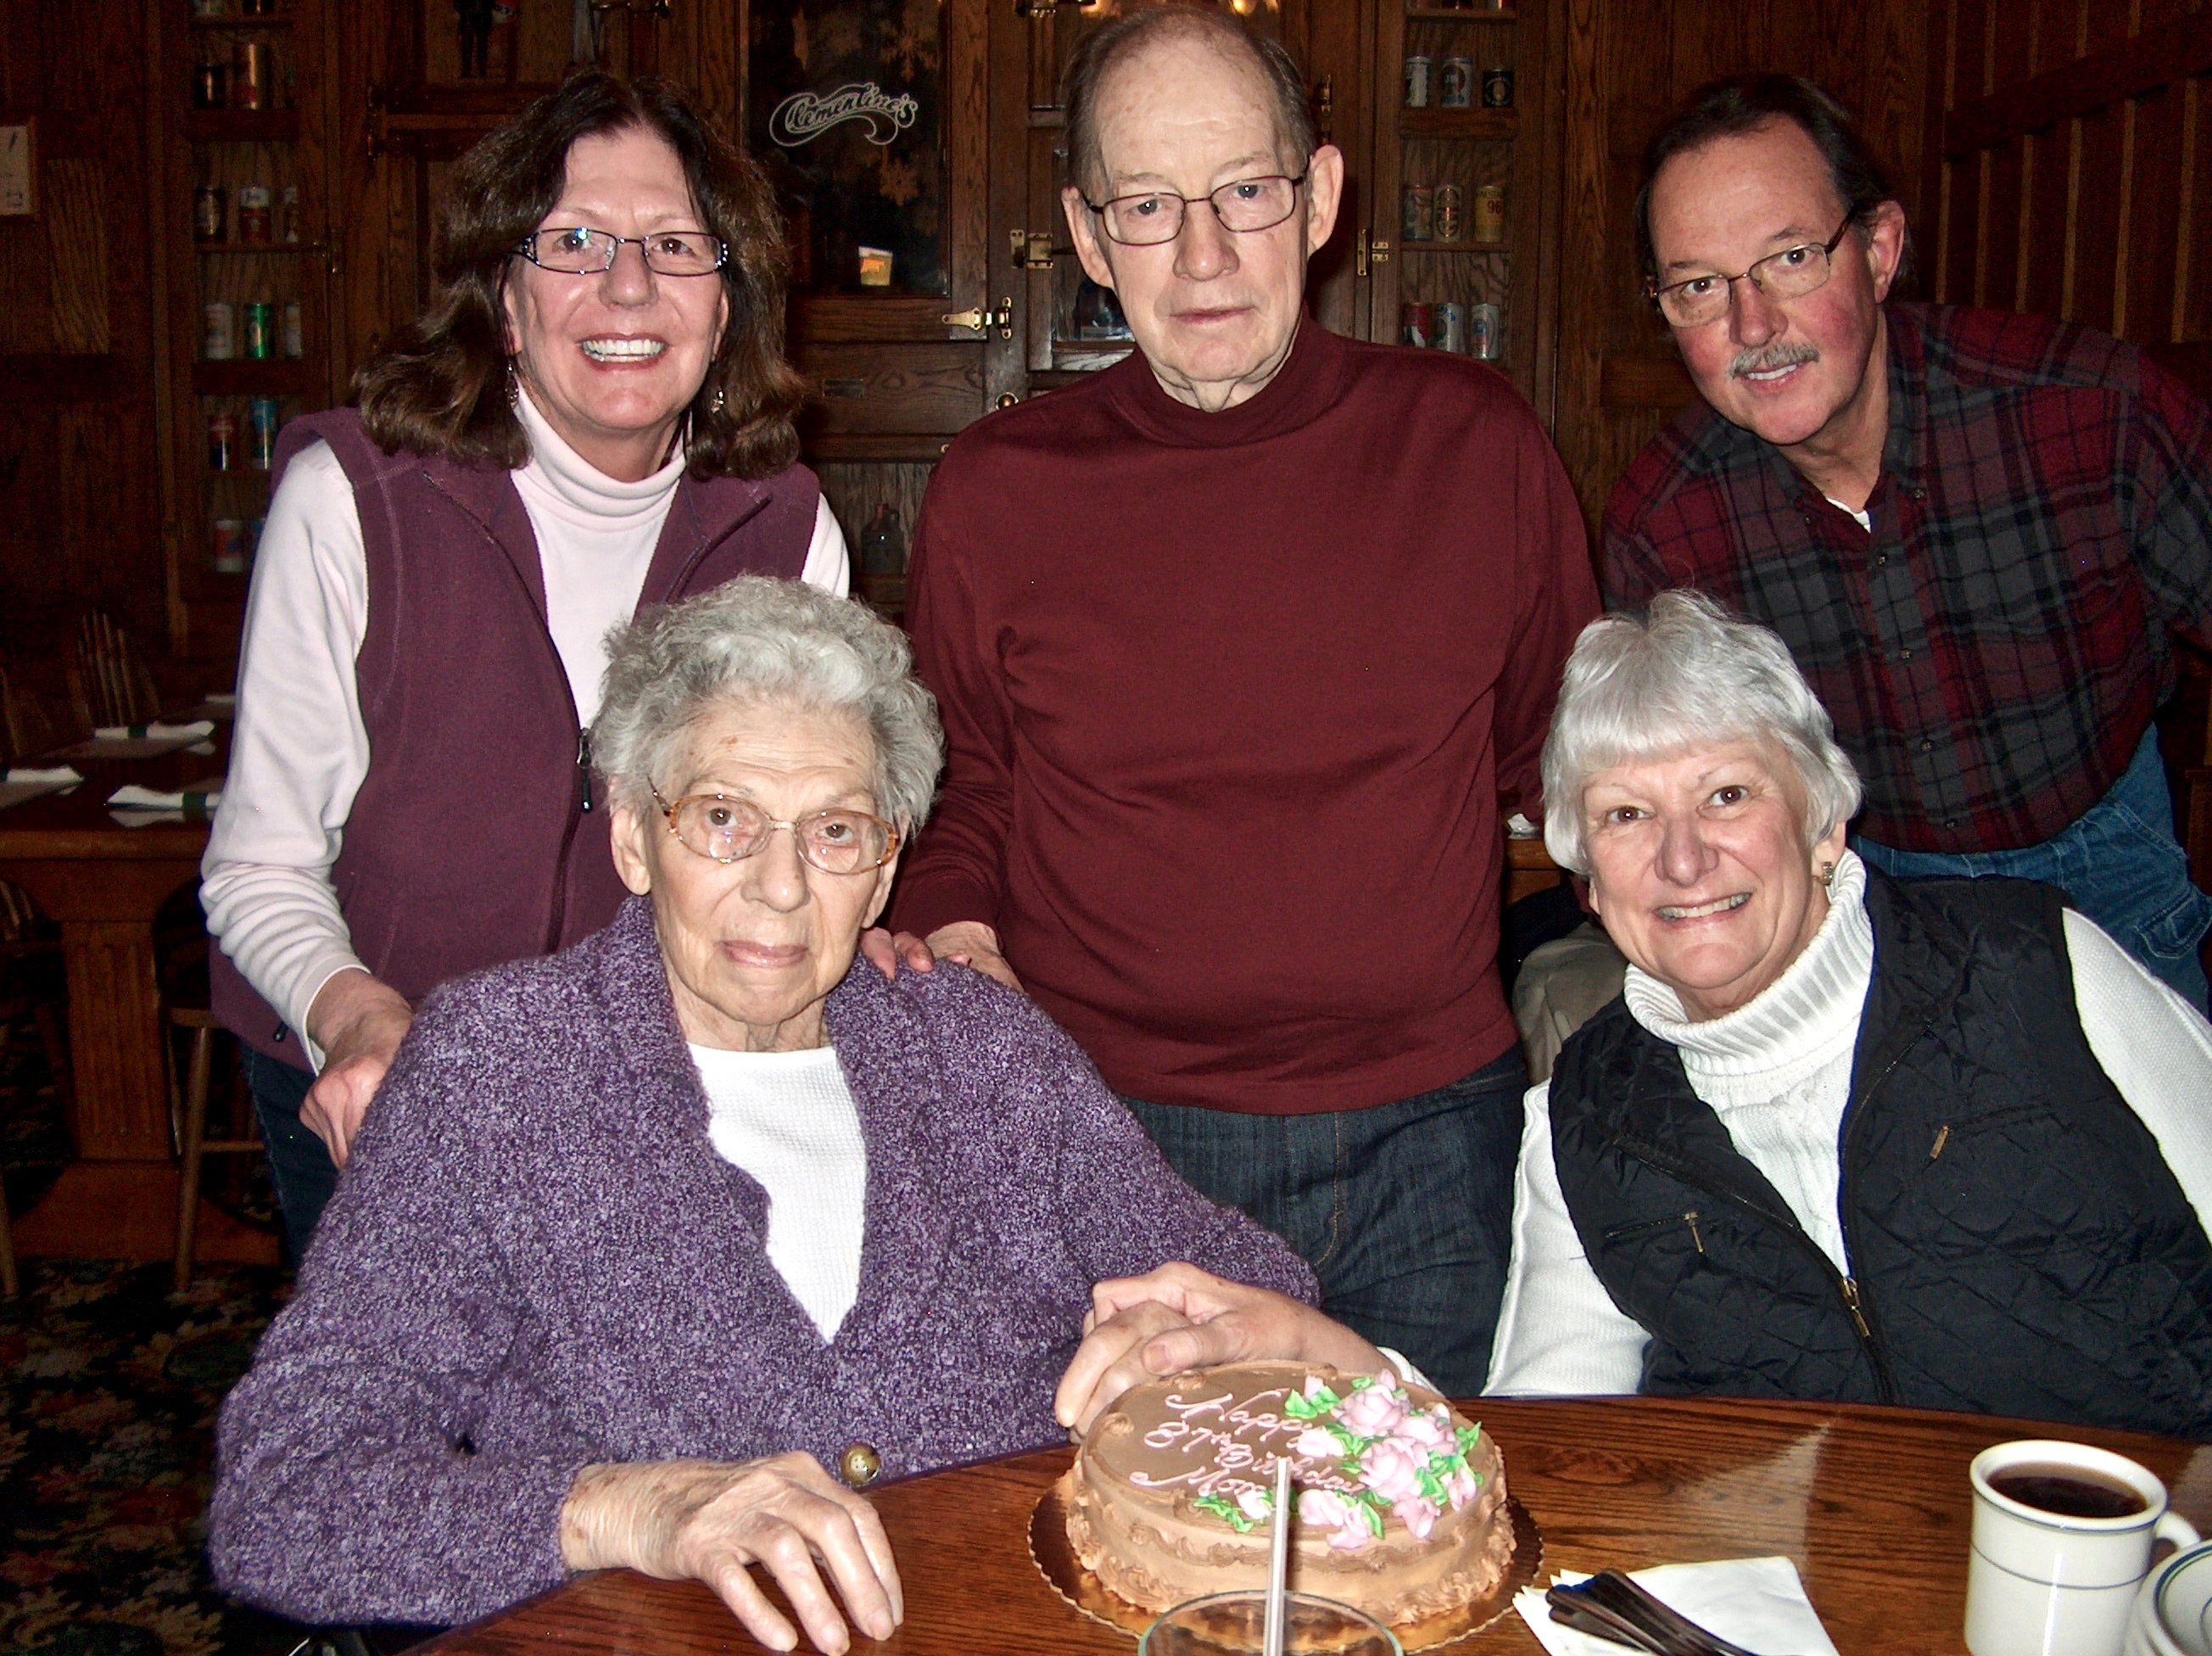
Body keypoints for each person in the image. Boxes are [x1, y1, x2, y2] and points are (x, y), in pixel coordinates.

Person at [207, 579, 1380, 1649]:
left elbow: (1238, 1279)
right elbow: (288, 1493)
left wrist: (1211, 1336)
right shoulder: (493, 1074)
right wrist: (634, 1505)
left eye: (834, 832)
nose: (780, 884)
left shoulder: (979, 1051)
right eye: (722, 818)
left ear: (882, 870)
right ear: (632, 835)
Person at [869, 3, 1597, 1396]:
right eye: (1147, 205)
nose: (1201, 255)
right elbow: (960, 787)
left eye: (1243, 192)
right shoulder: (996, 488)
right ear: (1087, 238)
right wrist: (955, 934)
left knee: (1404, 1551)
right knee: (1138, 1556)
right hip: (1109, 1134)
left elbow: (1566, 766)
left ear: (1318, 196)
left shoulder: (1476, 442)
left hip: (1432, 1141)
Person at [201, 70, 848, 1260]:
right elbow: (258, 868)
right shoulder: (349, 498)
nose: (628, 284)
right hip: (385, 1085)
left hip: (652, 1100)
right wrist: (359, 1020)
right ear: (502, 298)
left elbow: (798, 856)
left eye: (674, 243)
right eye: (573, 240)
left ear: (728, 300)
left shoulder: (788, 528)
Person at [1484, 591, 2212, 1437]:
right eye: (1626, 813)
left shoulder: (2038, 970)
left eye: (1726, 794)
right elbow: (1558, 1433)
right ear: (1589, 879)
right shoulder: (1580, 1113)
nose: (1681, 858)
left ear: (1823, 825)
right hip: (1793, 1566)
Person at [1602, 74, 2212, 1008]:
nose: (1753, 325)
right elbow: (1678, 811)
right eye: (1698, 287)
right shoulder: (1666, 527)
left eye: (1792, 258)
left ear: (1879, 251)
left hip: (2107, 865)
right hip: (1855, 894)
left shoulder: (2094, 414)